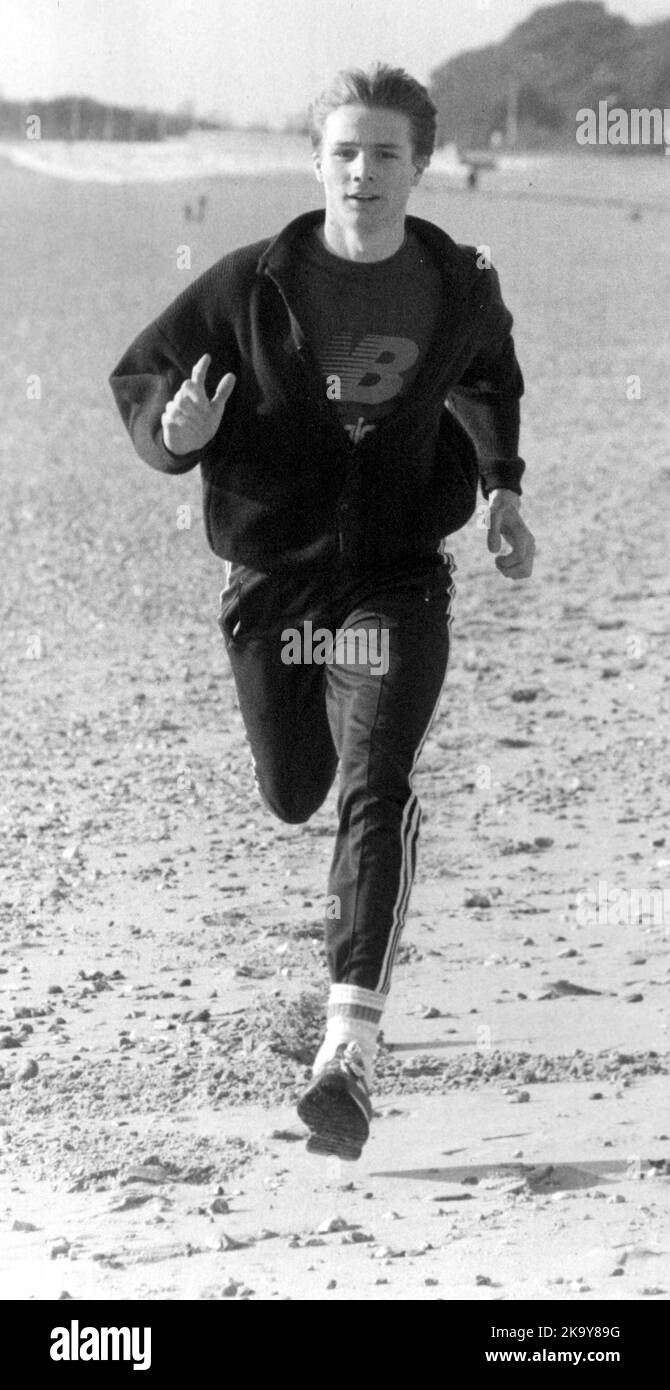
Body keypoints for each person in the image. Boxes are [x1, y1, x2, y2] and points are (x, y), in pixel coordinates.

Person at [109, 64, 535, 1162]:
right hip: (273, 580)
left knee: (376, 780)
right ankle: (354, 844)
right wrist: (182, 435)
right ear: (317, 164)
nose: (364, 170)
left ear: (419, 166)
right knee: (294, 789)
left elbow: (489, 376)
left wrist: (501, 489)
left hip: (395, 576)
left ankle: (346, 1049)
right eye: (345, 151)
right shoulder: (251, 285)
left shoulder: (458, 280)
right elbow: (143, 379)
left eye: (385, 152)